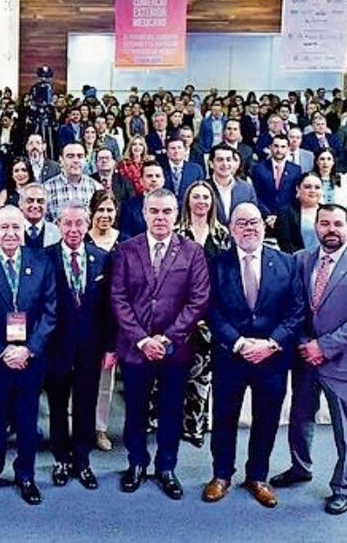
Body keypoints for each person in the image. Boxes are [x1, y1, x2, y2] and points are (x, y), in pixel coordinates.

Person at [271, 204, 347, 516]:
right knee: (300, 420)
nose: (331, 230)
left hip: (343, 363)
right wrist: (305, 343)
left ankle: (343, 488)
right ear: (316, 226)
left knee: (344, 431)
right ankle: (300, 468)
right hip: (305, 359)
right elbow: (290, 307)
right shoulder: (300, 260)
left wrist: (324, 346)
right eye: (324, 223)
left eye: (337, 224)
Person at [110, 188, 210, 500]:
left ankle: (166, 467)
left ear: (176, 214)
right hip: (135, 347)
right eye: (154, 211)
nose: (160, 217)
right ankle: (137, 463)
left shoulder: (192, 251)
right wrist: (142, 339)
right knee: (135, 410)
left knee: (171, 410)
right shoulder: (126, 249)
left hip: (175, 348)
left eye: (167, 211)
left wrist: (167, 338)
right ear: (144, 214)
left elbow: (198, 300)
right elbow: (118, 298)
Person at [202, 202, 303, 508]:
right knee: (224, 418)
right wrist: (238, 343)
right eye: (242, 223)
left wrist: (271, 344)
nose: (249, 228)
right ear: (231, 230)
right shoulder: (216, 264)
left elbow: (296, 311)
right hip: (230, 357)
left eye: (255, 222)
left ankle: (258, 476)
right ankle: (221, 475)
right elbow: (210, 310)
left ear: (263, 225)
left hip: (272, 359)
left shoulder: (287, 263)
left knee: (267, 419)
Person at [0, 205, 57, 506]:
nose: (10, 233)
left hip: (30, 358)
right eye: (4, 227)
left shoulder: (41, 261)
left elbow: (50, 312)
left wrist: (29, 349)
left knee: (28, 421)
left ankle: (26, 475)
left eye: (16, 227)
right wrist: (2, 350)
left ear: (24, 230)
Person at [44, 202, 111, 491]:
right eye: (67, 223)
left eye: (79, 223)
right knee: (57, 406)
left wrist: (110, 347)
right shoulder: (45, 257)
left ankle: (82, 460)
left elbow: (110, 308)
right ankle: (60, 459)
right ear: (59, 225)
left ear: (88, 224)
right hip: (56, 346)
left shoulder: (103, 258)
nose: (73, 229)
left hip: (90, 348)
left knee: (86, 404)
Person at [170, 179, 231, 446]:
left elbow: (228, 277)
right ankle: (172, 423)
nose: (201, 201)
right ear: (187, 200)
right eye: (196, 196)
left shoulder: (222, 235)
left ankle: (195, 426)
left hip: (212, 313)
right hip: (179, 313)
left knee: (203, 372)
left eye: (206, 197)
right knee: (176, 370)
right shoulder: (175, 233)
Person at [86, 191, 121, 451]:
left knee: (105, 379)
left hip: (114, 320)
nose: (105, 215)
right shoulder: (82, 239)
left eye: (109, 210)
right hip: (85, 320)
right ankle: (80, 426)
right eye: (100, 210)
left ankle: (100, 429)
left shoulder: (125, 242)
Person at [251, 133, 303, 228]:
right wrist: (268, 215)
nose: (279, 150)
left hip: (287, 219)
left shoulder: (296, 170)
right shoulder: (258, 168)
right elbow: (255, 194)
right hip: (264, 219)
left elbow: (296, 196)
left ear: (288, 149)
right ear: (270, 147)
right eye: (276, 146)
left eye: (283, 147)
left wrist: (282, 216)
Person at [43, 142, 103, 222]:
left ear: (85, 159)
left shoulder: (96, 188)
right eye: (70, 156)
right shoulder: (46, 189)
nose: (76, 160)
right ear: (61, 160)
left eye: (80, 156)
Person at [207, 144, 258, 224]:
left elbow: (253, 218)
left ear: (235, 163)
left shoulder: (247, 189)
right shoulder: (203, 188)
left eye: (228, 160)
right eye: (220, 160)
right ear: (211, 164)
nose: (225, 164)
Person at [159, 136, 203, 204]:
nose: (176, 151)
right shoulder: (159, 168)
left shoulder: (196, 170)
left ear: (185, 150)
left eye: (179, 148)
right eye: (173, 148)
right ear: (167, 151)